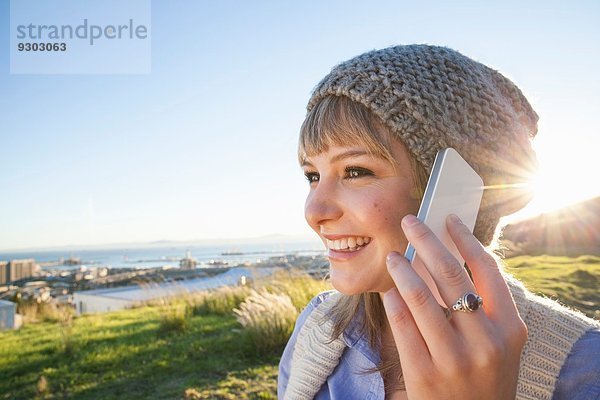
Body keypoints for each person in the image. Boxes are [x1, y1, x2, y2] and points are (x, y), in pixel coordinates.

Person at [277, 45, 600, 400]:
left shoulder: (586, 367)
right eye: (312, 175)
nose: (314, 211)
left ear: (453, 192)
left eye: (355, 171)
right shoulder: (315, 327)